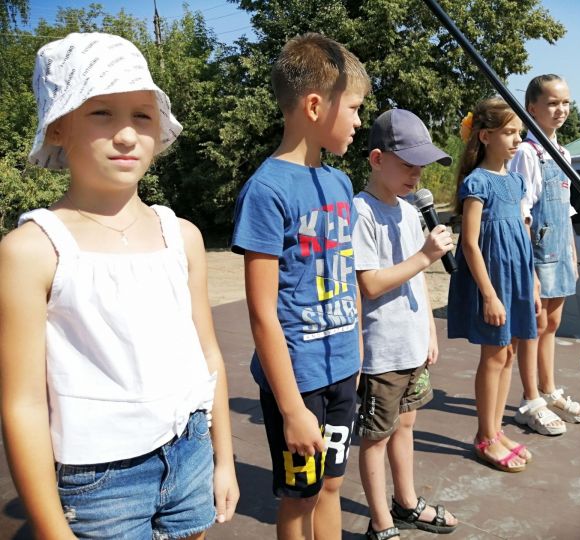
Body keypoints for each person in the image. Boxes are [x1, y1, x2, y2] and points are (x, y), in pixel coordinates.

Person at [0, 32, 239, 539]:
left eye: (142, 115)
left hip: (191, 447)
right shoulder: (32, 249)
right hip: (100, 480)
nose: (127, 135)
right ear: (59, 126)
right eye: (101, 113)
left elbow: (208, 356)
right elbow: (21, 403)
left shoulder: (183, 235)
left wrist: (224, 459)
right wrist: (51, 529)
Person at [230, 33, 370, 540]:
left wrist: (354, 350)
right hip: (298, 381)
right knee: (299, 497)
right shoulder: (265, 191)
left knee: (330, 486)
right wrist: (290, 408)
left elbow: (346, 272)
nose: (358, 121)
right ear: (315, 105)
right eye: (353, 108)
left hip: (341, 372)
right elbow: (262, 313)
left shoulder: (338, 184)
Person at [353, 109, 458, 540]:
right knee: (376, 436)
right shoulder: (362, 212)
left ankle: (407, 502)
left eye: (422, 165)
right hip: (382, 350)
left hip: (413, 344)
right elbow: (370, 284)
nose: (417, 174)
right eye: (407, 164)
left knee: (408, 423)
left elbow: (417, 280)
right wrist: (425, 257)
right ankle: (381, 523)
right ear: (377, 159)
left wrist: (430, 328)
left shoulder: (412, 211)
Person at [447, 97, 540, 473]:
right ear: (485, 136)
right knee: (494, 355)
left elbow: (522, 233)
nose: (517, 140)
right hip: (493, 281)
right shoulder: (477, 182)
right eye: (509, 132)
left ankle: (497, 430)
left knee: (510, 353)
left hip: (517, 276)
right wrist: (489, 294)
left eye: (519, 132)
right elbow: (469, 243)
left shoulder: (516, 181)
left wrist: (532, 281)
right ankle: (485, 436)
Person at [508, 74, 580, 436]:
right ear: (532, 109)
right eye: (553, 103)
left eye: (566, 102)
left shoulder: (565, 152)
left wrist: (572, 251)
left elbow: (566, 208)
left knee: (551, 325)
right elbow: (522, 210)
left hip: (560, 248)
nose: (561, 110)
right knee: (532, 326)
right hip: (536, 252)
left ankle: (549, 388)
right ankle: (530, 400)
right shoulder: (527, 152)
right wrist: (530, 270)